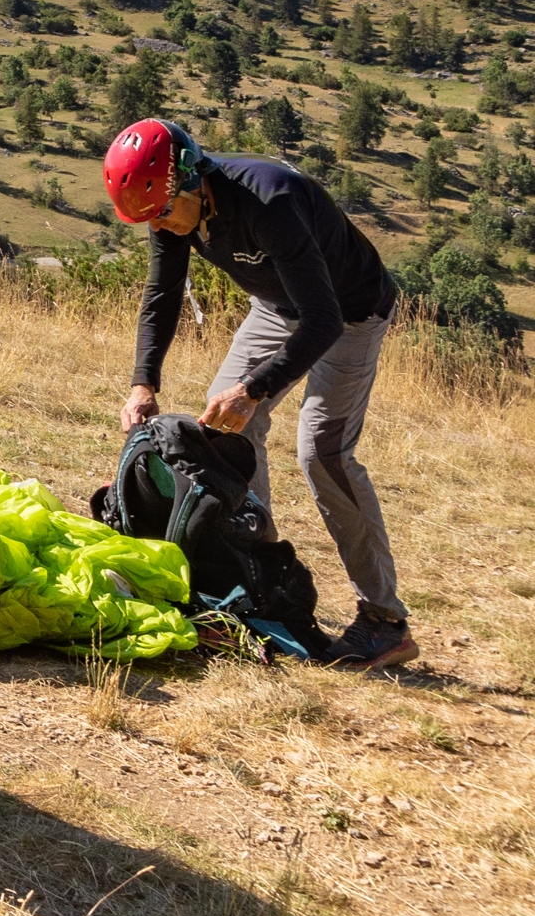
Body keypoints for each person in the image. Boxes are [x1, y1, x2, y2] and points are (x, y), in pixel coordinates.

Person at [106, 118, 415, 669]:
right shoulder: (170, 208)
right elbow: (162, 295)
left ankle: (385, 620)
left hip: (349, 312)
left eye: (163, 214)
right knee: (225, 428)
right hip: (276, 308)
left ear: (192, 183)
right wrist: (143, 382)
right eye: (148, 220)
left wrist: (255, 387)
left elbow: (321, 321)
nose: (162, 228)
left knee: (322, 453)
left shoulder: (269, 200)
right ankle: (260, 585)